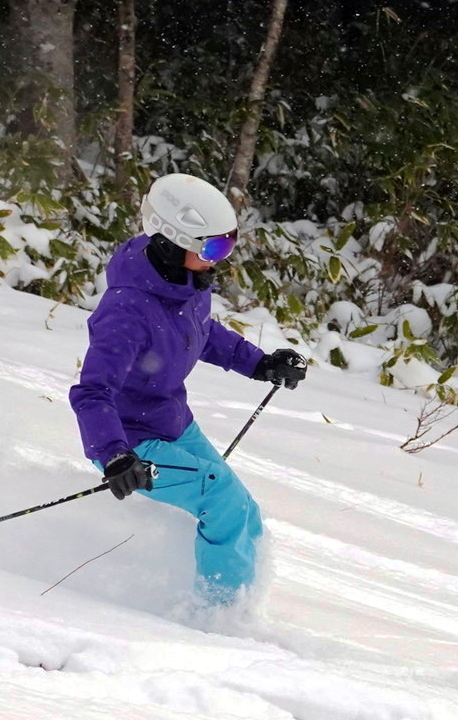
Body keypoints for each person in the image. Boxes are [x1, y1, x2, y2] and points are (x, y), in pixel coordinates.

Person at [68, 173, 307, 606]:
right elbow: (92, 392)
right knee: (223, 502)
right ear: (172, 242)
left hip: (172, 423)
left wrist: (261, 363)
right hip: (134, 444)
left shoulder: (186, 285)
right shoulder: (125, 311)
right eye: (213, 248)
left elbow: (202, 332)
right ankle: (216, 618)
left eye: (227, 246)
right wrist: (115, 455)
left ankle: (239, 606)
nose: (220, 259)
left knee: (245, 511)